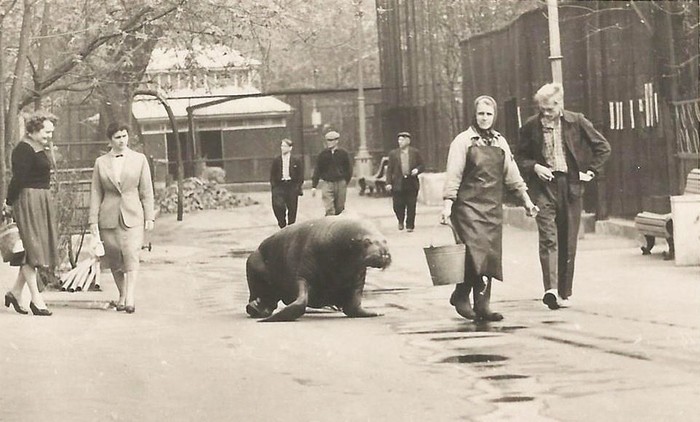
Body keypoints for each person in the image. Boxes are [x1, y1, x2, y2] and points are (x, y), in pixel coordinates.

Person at [441, 95, 538, 321]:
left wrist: (527, 201)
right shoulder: (462, 141)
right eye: (480, 114)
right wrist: (447, 206)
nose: (484, 118)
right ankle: (462, 295)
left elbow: (512, 175)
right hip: (466, 208)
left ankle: (483, 304)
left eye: (489, 114)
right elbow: (453, 176)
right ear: (474, 115)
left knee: (490, 256)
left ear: (494, 116)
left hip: (492, 208)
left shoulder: (499, 142)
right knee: (473, 254)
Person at [516, 82, 611, 310]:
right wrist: (535, 167)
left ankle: (563, 292)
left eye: (549, 109)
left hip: (570, 186)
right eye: (542, 109)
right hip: (543, 188)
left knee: (568, 239)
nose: (545, 114)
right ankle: (550, 289)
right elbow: (519, 157)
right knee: (548, 237)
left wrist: (591, 171)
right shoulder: (531, 126)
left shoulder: (576, 121)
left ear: (560, 105)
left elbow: (603, 147)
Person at [89, 122, 155, 314]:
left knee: (131, 253)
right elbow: (95, 193)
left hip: (133, 214)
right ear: (110, 140)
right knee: (114, 257)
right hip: (108, 216)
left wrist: (149, 216)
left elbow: (147, 190)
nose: (121, 141)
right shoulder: (100, 162)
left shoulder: (139, 159)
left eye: (124, 136)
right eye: (117, 137)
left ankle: (131, 297)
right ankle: (122, 294)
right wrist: (93, 220)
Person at [3, 111, 60, 316]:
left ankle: (15, 292)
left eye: (51, 132)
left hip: (39, 201)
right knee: (32, 251)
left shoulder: (37, 147)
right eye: (46, 132)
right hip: (28, 201)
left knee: (32, 251)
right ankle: (37, 300)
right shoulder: (23, 149)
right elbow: (17, 180)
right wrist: (9, 203)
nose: (49, 136)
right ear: (34, 129)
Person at [386, 131, 424, 232]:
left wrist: (417, 170)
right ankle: (400, 220)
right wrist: (388, 183)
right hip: (398, 183)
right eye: (399, 140)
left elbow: (422, 165)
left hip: (411, 182)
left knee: (411, 205)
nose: (399, 142)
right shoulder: (393, 154)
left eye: (402, 140)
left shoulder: (415, 152)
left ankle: (410, 225)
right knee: (398, 205)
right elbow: (389, 170)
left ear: (408, 141)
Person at [311, 130, 353, 216]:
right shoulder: (322, 155)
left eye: (331, 140)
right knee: (329, 208)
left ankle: (338, 227)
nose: (329, 143)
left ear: (336, 141)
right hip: (327, 183)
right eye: (328, 140)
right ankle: (330, 225)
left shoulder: (343, 154)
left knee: (340, 208)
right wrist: (314, 186)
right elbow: (317, 170)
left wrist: (345, 181)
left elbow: (349, 169)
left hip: (340, 183)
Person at [270, 138, 304, 228]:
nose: (282, 148)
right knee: (278, 206)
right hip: (280, 185)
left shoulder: (296, 160)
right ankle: (282, 224)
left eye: (285, 146)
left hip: (291, 185)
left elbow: (300, 175)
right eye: (281, 146)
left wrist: (298, 186)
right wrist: (274, 186)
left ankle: (291, 227)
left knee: (292, 208)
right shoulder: (277, 160)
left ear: (290, 148)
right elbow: (272, 174)